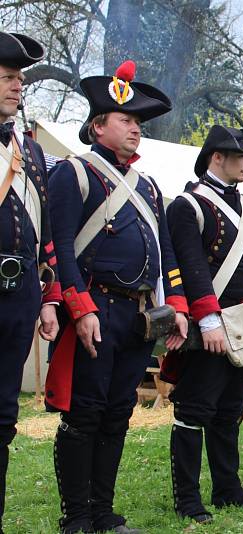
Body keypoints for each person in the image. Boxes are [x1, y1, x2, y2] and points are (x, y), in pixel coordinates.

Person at [45, 60, 189, 534]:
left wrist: (178, 309)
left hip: (139, 315)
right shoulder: (74, 173)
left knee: (117, 414)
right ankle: (77, 516)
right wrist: (79, 308)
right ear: (98, 125)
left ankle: (102, 511)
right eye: (126, 121)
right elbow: (61, 246)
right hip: (95, 309)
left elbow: (166, 253)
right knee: (85, 413)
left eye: (138, 124)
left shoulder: (148, 186)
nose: (135, 130)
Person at [164, 125, 243, 523]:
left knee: (229, 411)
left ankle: (227, 487)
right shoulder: (188, 206)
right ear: (216, 158)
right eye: (239, 156)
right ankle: (188, 498)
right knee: (193, 410)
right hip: (212, 326)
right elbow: (190, 267)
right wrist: (207, 320)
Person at [0, 32, 61, 532]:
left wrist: (48, 297)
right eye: (7, 78)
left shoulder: (30, 152)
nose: (17, 87)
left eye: (19, 79)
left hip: (20, 296)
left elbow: (45, 235)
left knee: (2, 417)